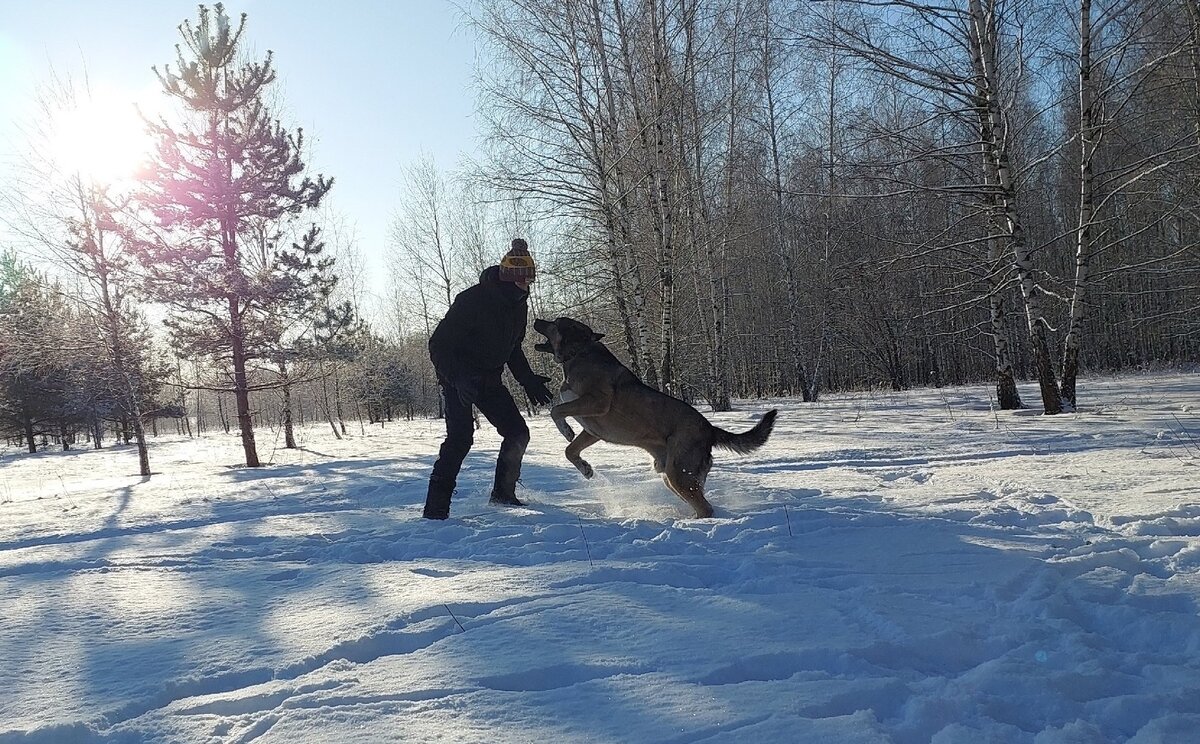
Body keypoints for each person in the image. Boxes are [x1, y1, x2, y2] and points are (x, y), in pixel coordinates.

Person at [423, 238, 554, 520]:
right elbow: (438, 345)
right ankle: (435, 510)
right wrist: (457, 378)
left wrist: (527, 379)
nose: (528, 286)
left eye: (530, 281)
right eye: (524, 281)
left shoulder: (519, 304)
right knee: (460, 440)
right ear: (510, 278)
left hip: (489, 379)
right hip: (458, 379)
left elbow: (513, 347)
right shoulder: (471, 300)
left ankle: (503, 495)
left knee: (518, 433)